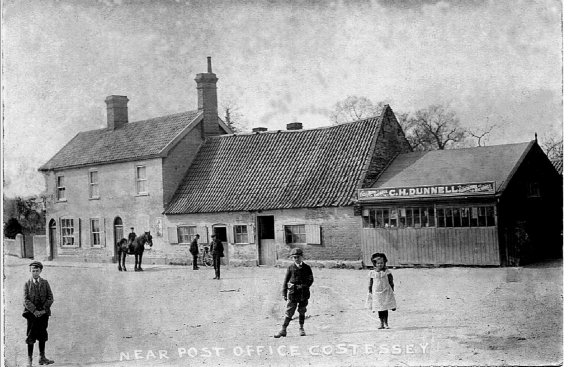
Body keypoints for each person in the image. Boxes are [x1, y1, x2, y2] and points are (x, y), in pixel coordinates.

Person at [274, 248, 314, 338]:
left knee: (302, 311)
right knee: (289, 311)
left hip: (304, 294)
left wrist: (303, 286)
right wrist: (284, 293)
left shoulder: (307, 268)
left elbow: (311, 280)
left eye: (298, 257)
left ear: (302, 257)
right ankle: (283, 330)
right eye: (294, 257)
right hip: (293, 293)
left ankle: (301, 328)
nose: (296, 259)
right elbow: (285, 281)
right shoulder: (290, 268)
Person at [23, 261, 54, 366]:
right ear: (30, 271)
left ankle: (42, 357)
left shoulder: (45, 283)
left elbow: (50, 298)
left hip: (43, 315)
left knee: (42, 335)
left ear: (40, 271)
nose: (35, 273)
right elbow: (25, 300)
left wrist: (44, 310)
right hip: (32, 315)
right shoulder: (27, 284)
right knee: (31, 336)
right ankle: (29, 360)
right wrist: (35, 311)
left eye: (37, 271)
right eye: (33, 271)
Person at [368, 253, 397, 329]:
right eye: (378, 263)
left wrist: (392, 289)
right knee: (380, 308)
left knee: (385, 308)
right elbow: (371, 283)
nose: (380, 265)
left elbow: (391, 281)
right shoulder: (372, 273)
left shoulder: (387, 272)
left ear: (384, 263)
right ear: (375, 264)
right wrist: (370, 290)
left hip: (385, 291)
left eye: (381, 263)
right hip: (377, 293)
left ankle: (386, 323)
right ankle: (381, 323)